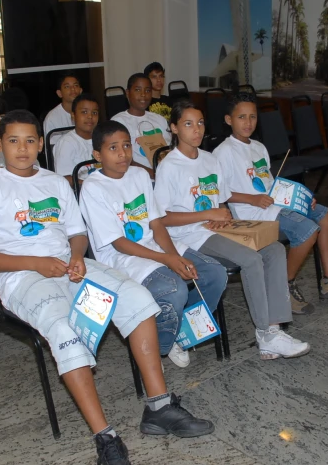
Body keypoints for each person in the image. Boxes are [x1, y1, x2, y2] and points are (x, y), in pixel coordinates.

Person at [0, 110, 215, 464]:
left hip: (69, 266)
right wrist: (35, 263)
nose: (23, 149)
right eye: (13, 141)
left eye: (30, 140)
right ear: (0, 144)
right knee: (66, 330)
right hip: (22, 276)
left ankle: (158, 407)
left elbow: (76, 234)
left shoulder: (54, 183)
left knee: (138, 300)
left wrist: (78, 255)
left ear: (39, 144)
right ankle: (106, 437)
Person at [155, 100, 311, 360]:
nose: (197, 130)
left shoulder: (209, 160)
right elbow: (162, 219)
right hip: (188, 235)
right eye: (188, 124)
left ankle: (274, 327)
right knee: (251, 259)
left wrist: (222, 215)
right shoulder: (169, 166)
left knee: (273, 249)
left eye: (201, 123)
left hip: (214, 229)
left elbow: (221, 199)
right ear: (174, 128)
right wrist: (207, 215)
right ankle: (264, 334)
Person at [80, 120, 227, 368]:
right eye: (113, 148)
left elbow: (157, 224)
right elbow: (118, 243)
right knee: (174, 288)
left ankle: (181, 329)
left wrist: (174, 256)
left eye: (126, 145)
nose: (122, 153)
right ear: (97, 155)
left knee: (214, 273)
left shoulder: (139, 175)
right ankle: (159, 344)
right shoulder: (93, 188)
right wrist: (167, 260)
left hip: (156, 247)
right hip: (123, 258)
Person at [213, 92, 328, 314]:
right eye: (241, 117)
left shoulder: (258, 147)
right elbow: (219, 193)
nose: (248, 123)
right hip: (253, 213)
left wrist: (300, 198)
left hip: (274, 205)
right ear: (228, 120)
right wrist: (252, 198)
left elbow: (272, 186)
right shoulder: (223, 152)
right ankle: (281, 286)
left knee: (324, 214)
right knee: (307, 230)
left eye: (252, 117)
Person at [112, 73, 172, 177]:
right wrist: (154, 174)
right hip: (139, 178)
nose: (143, 94)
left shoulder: (159, 119)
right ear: (127, 93)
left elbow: (172, 149)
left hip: (167, 174)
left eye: (148, 90)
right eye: (138, 90)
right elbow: (124, 160)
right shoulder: (118, 122)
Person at [53, 92, 99, 186]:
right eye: (84, 112)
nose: (90, 116)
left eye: (94, 113)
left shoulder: (102, 138)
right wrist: (91, 186)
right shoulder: (66, 143)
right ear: (73, 116)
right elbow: (64, 178)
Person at [42, 74, 81, 145]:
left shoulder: (87, 113)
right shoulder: (52, 118)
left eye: (76, 85)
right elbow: (53, 150)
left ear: (81, 91)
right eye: (67, 86)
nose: (73, 89)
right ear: (59, 93)